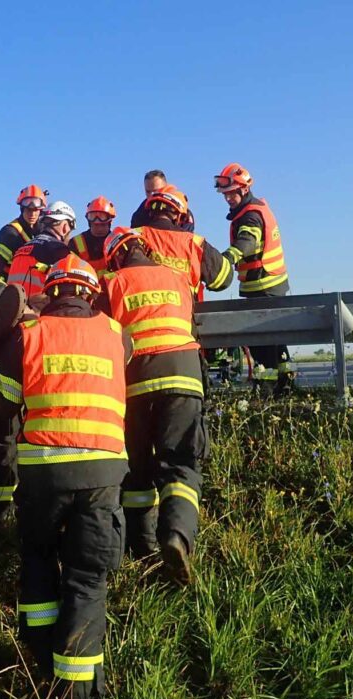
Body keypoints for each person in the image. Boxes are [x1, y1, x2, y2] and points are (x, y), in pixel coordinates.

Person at [0, 254, 128, 699]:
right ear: (90, 292)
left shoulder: (28, 336)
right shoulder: (114, 333)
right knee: (88, 580)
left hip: (43, 470)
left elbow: (2, 404)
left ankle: (38, 657)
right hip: (103, 472)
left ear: (50, 292)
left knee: (38, 558)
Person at [100, 227, 206, 584]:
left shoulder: (112, 282)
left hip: (135, 383)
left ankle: (142, 552)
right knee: (181, 466)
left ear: (116, 256)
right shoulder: (177, 277)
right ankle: (176, 535)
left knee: (138, 469)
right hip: (183, 376)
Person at [214, 162, 294, 395]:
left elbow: (247, 242)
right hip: (271, 285)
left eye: (231, 193)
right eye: (225, 194)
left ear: (244, 190)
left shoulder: (249, 216)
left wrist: (226, 258)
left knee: (262, 342)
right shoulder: (258, 209)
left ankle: (267, 390)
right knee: (276, 341)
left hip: (262, 286)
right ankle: (285, 385)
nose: (227, 198)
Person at [133, 188, 233, 295]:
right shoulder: (194, 243)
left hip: (140, 311)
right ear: (177, 215)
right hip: (182, 310)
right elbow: (224, 278)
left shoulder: (133, 237)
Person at [6, 201, 77, 299]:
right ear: (65, 227)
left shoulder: (23, 247)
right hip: (38, 310)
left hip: (14, 309)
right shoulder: (58, 249)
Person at [0, 185, 48, 277]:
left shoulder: (44, 230)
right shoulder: (9, 233)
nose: (32, 214)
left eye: (35, 210)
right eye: (28, 210)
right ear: (22, 209)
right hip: (15, 286)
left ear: (40, 211)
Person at [130, 170, 196, 232]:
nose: (151, 195)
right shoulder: (139, 216)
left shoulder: (184, 214)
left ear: (166, 187)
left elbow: (186, 238)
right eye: (148, 191)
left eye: (156, 191)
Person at [70, 196, 116, 281]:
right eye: (95, 225)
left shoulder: (118, 241)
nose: (99, 228)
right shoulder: (76, 243)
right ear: (89, 222)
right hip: (86, 290)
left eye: (102, 225)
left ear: (110, 222)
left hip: (112, 289)